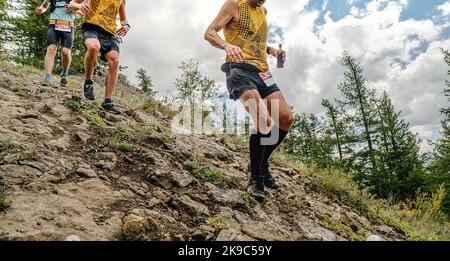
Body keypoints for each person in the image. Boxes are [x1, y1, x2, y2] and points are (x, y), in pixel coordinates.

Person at [205, 0, 294, 201]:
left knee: (286, 119)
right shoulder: (233, 5)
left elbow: (254, 39)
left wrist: (272, 51)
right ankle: (256, 179)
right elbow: (209, 32)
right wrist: (227, 45)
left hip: (263, 73)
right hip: (239, 71)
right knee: (264, 122)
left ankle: (261, 162)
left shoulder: (263, 11)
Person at [67, 0, 130, 114]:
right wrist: (80, 6)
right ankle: (88, 81)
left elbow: (123, 20)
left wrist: (126, 26)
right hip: (91, 26)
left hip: (109, 33)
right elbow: (71, 4)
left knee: (114, 61)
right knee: (93, 47)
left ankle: (108, 102)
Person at [36, 0, 76, 87]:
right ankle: (47, 77)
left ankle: (65, 73)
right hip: (53, 24)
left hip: (68, 26)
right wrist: (40, 10)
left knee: (65, 51)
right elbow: (44, 6)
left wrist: (73, 8)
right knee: (51, 49)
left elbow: (82, 9)